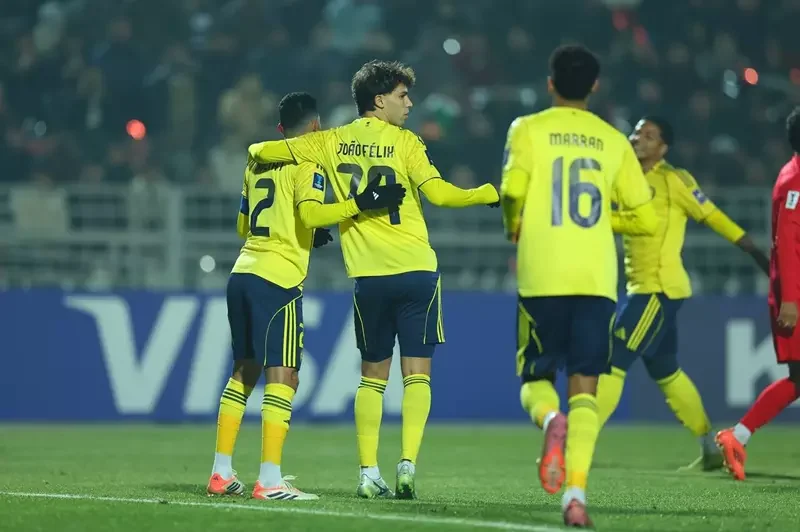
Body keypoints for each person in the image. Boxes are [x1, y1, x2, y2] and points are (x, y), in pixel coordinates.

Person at [247, 60, 500, 500]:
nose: (410, 104)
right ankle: (407, 465)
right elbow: (440, 194)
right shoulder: (406, 142)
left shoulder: (330, 141)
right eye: (403, 96)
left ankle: (368, 473)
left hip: (370, 276)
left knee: (371, 378)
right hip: (416, 271)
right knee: (417, 375)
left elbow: (260, 151)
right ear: (380, 100)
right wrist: (487, 193)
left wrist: (268, 150)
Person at [206, 92, 405, 501]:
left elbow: (244, 225)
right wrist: (360, 203)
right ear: (316, 126)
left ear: (281, 129)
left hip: (242, 273)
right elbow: (312, 214)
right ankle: (269, 480)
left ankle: (221, 473)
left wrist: (304, 234)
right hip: (277, 281)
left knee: (243, 371)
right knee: (285, 376)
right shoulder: (308, 163)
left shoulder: (256, 161)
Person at [500, 44, 657, 528]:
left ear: (550, 84)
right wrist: (602, 219)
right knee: (586, 388)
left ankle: (552, 421)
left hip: (542, 274)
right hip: (596, 280)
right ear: (594, 86)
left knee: (535, 379)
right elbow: (646, 218)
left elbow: (511, 191)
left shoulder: (527, 128)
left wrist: (513, 225)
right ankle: (575, 495)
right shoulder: (613, 140)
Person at [595, 116, 770, 471]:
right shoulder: (623, 176)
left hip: (658, 289)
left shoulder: (673, 179)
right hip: (644, 289)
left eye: (649, 136)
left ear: (663, 148)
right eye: (637, 133)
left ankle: (575, 443)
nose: (638, 139)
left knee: (613, 358)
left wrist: (754, 251)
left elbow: (712, 215)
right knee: (666, 371)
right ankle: (709, 446)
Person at [716, 106, 800, 480]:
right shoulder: (793, 182)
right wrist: (791, 300)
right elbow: (787, 246)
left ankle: (737, 436)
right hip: (795, 296)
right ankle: (737, 435)